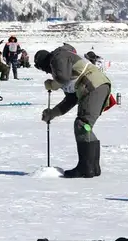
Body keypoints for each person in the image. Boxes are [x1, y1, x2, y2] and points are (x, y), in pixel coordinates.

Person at [35, 44, 112, 178]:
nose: (48, 73)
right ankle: (93, 167)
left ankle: (85, 167)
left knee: (82, 124)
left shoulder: (57, 57)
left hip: (92, 85)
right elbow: (70, 100)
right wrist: (52, 113)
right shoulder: (63, 62)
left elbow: (62, 79)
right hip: (97, 85)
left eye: (45, 70)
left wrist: (52, 84)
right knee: (86, 126)